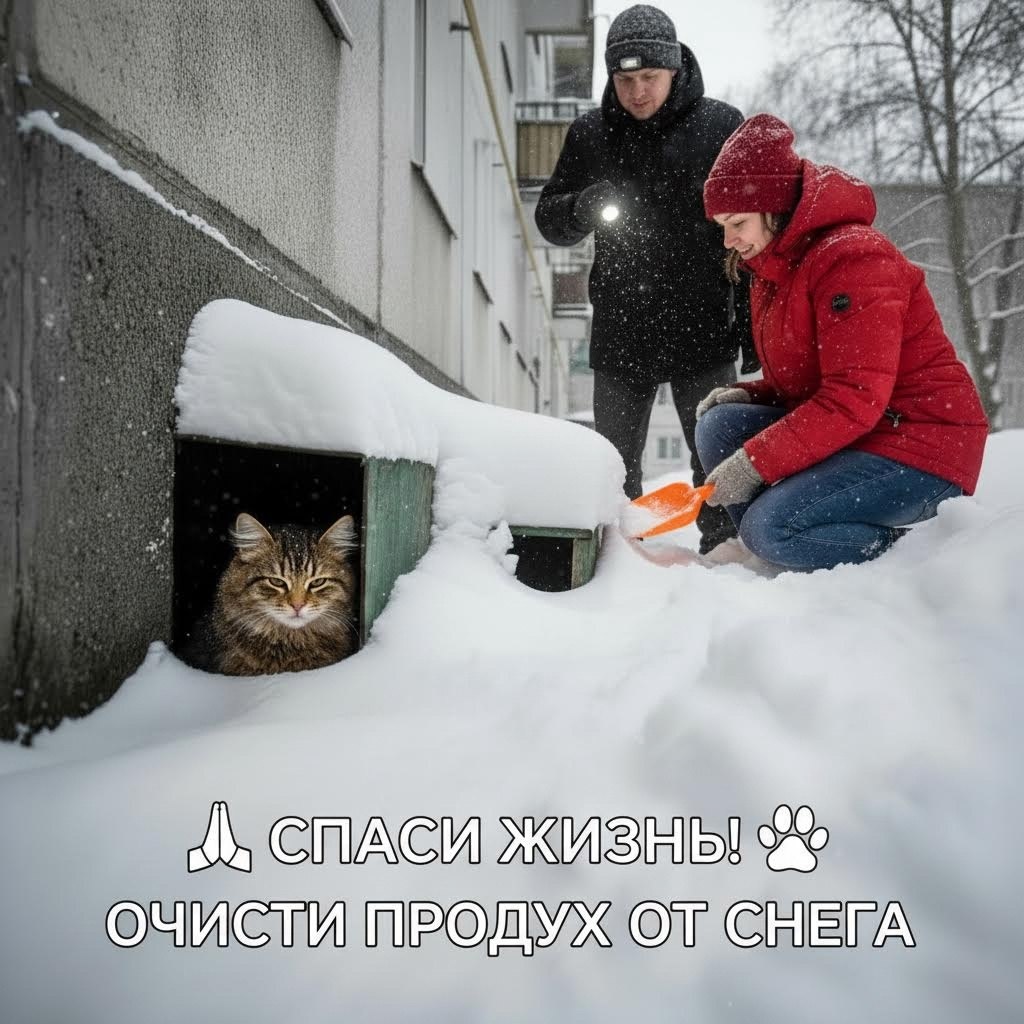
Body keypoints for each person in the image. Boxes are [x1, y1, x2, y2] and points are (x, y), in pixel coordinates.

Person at [695, 113, 989, 572]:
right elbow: (814, 376)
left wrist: (755, 463)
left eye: (738, 223)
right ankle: (778, 546)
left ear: (773, 208)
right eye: (722, 227)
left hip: (920, 446)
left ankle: (912, 555)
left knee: (771, 528)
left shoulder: (854, 258)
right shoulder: (774, 267)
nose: (730, 240)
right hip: (865, 431)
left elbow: (854, 395)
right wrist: (752, 394)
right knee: (720, 425)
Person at [535, 3, 756, 555]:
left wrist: (752, 330)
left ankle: (726, 559)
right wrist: (583, 206)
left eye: (650, 77)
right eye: (625, 79)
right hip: (621, 325)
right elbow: (549, 219)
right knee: (612, 465)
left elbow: (754, 233)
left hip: (704, 324)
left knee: (715, 458)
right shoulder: (591, 134)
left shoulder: (721, 127)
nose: (637, 92)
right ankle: (616, 559)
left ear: (675, 68)